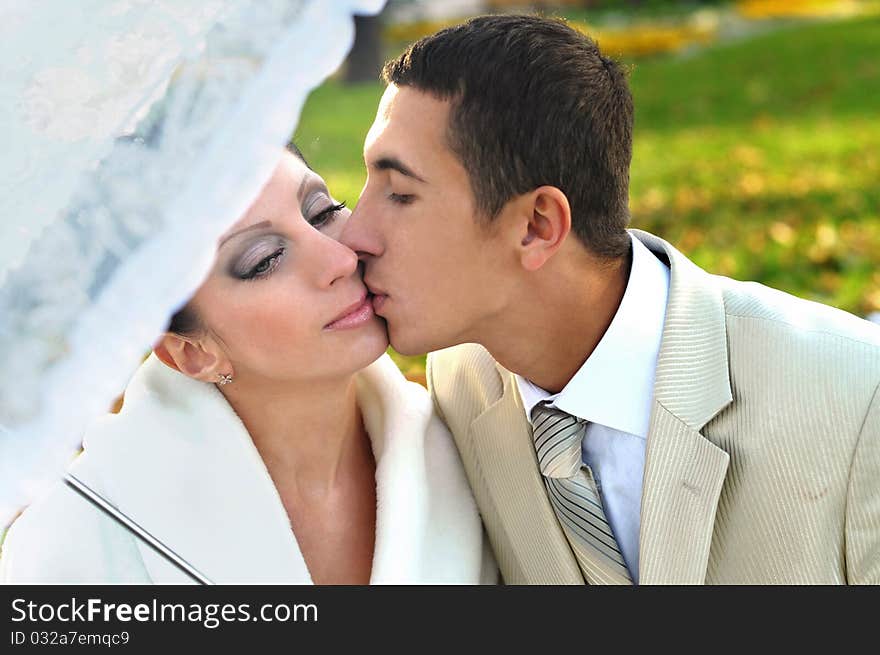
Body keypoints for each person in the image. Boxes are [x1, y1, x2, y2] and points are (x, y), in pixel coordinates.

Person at [339, 14, 880, 584]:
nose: (354, 235)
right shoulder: (461, 385)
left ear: (537, 226)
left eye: (400, 194)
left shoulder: (856, 397)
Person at [0, 145, 496, 584]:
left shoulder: (475, 444)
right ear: (191, 354)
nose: (340, 259)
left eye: (322, 211)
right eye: (264, 259)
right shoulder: (78, 538)